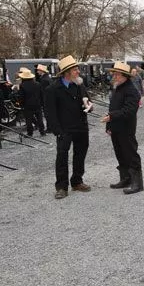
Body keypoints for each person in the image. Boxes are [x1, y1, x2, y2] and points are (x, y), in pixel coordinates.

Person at [44, 55, 92, 199]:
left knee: (80, 155)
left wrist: (89, 106)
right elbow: (50, 113)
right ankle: (61, 187)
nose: (78, 71)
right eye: (75, 69)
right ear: (67, 72)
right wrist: (58, 131)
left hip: (81, 127)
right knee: (62, 158)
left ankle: (77, 181)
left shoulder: (79, 84)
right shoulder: (52, 89)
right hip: (64, 130)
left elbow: (87, 101)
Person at [101, 62, 143, 195]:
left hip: (126, 128)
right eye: (114, 73)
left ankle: (137, 183)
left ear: (124, 75)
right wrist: (109, 125)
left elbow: (129, 111)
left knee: (131, 153)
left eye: (117, 74)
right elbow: (112, 108)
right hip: (116, 127)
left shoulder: (131, 90)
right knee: (120, 153)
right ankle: (126, 178)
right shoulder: (118, 87)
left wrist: (111, 117)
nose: (114, 76)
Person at [17, 70, 45, 136]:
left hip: (28, 105)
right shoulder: (37, 84)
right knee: (40, 118)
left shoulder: (22, 85)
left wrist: (21, 105)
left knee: (28, 120)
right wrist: (42, 103)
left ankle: (30, 133)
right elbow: (41, 95)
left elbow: (22, 97)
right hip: (37, 104)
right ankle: (42, 131)